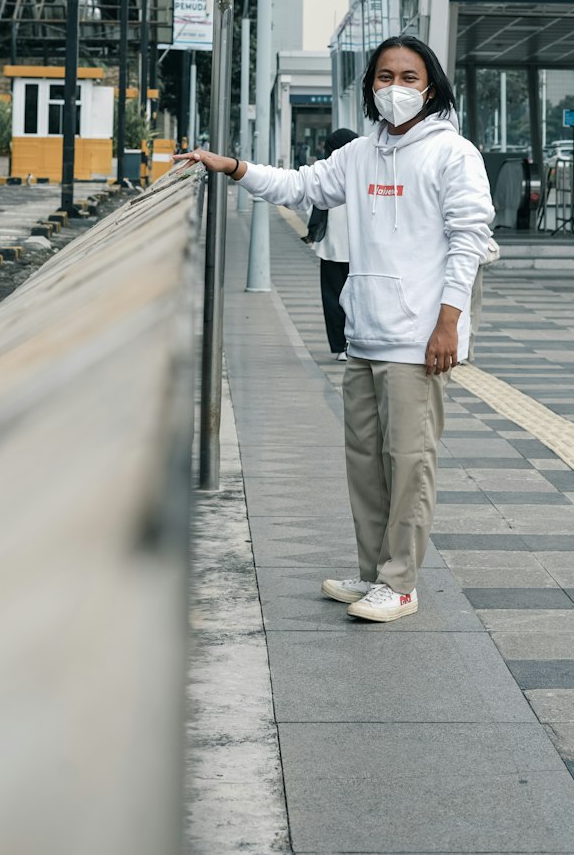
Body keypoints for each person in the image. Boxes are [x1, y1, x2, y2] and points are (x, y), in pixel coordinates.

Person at [174, 35, 493, 624]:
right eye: (384, 76)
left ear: (431, 86)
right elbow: (299, 187)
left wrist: (449, 322)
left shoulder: (453, 154)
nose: (395, 87)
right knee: (365, 463)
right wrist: (233, 167)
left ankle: (401, 583)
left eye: (409, 76)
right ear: (370, 86)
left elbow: (471, 239)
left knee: (410, 463)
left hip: (417, 340)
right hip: (365, 334)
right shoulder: (359, 155)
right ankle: (373, 573)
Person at [308, 128, 358, 361]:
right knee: (358, 298)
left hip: (330, 247)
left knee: (332, 297)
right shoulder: (363, 171)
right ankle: (355, 341)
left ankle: (340, 346)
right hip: (358, 249)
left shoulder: (328, 173)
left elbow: (314, 205)